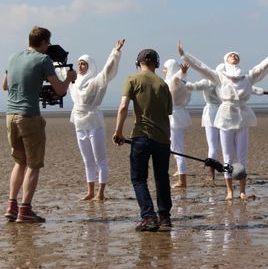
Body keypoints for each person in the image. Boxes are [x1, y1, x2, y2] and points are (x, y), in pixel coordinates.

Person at [177, 34, 268, 200]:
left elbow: (264, 66)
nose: (234, 56)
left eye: (236, 55)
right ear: (226, 60)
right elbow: (201, 67)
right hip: (225, 116)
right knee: (227, 156)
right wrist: (184, 55)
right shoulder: (220, 76)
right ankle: (229, 191)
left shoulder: (247, 76)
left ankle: (242, 191)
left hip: (242, 116)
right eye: (231, 55)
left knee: (242, 156)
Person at [3, 26, 77, 223]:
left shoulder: (14, 56)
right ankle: (25, 210)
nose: (49, 46)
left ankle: (11, 205)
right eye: (48, 42)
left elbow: (5, 85)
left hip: (10, 115)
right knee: (34, 164)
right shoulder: (43, 59)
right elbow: (60, 90)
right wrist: (69, 78)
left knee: (19, 162)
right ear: (44, 42)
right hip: (29, 116)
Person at [113, 49, 173, 232]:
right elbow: (168, 111)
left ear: (138, 63)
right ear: (157, 63)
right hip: (163, 138)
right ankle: (164, 216)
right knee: (162, 177)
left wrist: (118, 132)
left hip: (142, 135)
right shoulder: (163, 84)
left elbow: (123, 107)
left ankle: (148, 217)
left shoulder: (132, 79)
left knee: (139, 179)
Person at [186, 73, 268, 182]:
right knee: (229, 146)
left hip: (212, 113)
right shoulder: (226, 82)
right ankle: (233, 171)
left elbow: (193, 86)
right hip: (224, 113)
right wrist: (263, 91)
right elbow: (247, 88)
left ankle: (212, 174)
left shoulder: (209, 81)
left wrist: (180, 79)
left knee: (213, 146)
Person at [69, 39, 125, 201]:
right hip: (79, 121)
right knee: (87, 160)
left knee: (100, 159)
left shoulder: (96, 81)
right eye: (79, 63)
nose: (80, 66)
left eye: (83, 64)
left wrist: (115, 52)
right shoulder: (73, 82)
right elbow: (59, 72)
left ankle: (101, 193)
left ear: (89, 66)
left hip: (94, 122)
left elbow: (108, 70)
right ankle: (90, 191)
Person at [162, 59, 192, 188]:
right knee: (174, 148)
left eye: (165, 68)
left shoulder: (174, 82)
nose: (163, 71)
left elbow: (175, 79)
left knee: (178, 149)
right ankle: (180, 173)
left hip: (174, 117)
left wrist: (182, 72)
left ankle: (182, 181)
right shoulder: (181, 83)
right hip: (175, 116)